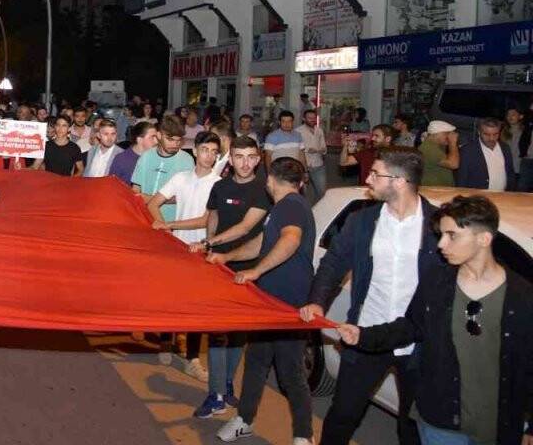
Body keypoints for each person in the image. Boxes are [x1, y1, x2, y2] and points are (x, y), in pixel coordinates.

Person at [335, 195, 532, 445]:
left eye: (452, 236)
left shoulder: (521, 297)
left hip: (497, 426)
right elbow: (411, 326)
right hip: (441, 423)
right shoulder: (437, 281)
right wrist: (364, 336)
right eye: (441, 235)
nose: (441, 244)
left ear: (484, 239)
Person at [301, 147, 445, 445]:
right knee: (343, 414)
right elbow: (333, 263)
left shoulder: (438, 226)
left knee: (411, 424)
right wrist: (317, 300)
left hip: (417, 342)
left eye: (375, 174)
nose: (368, 178)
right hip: (364, 334)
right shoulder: (363, 221)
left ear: (400, 181)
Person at [212, 157, 316, 445]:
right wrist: (228, 256)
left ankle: (303, 436)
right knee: (257, 362)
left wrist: (257, 271)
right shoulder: (281, 208)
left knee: (291, 372)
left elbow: (290, 240)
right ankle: (244, 419)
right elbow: (261, 244)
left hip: (287, 303)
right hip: (268, 300)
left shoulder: (292, 206)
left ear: (270, 179)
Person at [189, 136, 270, 418]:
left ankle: (225, 385)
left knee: (237, 333)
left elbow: (246, 227)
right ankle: (216, 394)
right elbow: (213, 215)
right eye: (239, 156)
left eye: (250, 157)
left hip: (246, 268)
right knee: (216, 332)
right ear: (230, 158)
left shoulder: (263, 190)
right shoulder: (220, 186)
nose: (245, 163)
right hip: (216, 266)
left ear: (258, 159)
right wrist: (210, 240)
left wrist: (211, 244)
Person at [147, 131, 222, 380]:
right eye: (205, 150)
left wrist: (169, 226)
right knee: (171, 299)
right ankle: (166, 341)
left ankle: (192, 358)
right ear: (195, 151)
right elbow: (152, 203)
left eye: (214, 152)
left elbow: (205, 219)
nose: (208, 156)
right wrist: (165, 232)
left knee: (196, 306)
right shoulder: (181, 178)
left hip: (202, 249)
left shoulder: (218, 183)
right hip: (176, 249)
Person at [133, 116, 196, 231]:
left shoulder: (187, 160)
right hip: (144, 220)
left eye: (178, 140)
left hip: (172, 223)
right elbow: (136, 188)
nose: (175, 144)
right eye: (170, 139)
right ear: (159, 135)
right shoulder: (146, 156)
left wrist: (152, 200)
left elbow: (186, 197)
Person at [456, 117, 516, 191]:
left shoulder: (505, 148)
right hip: (478, 199)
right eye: (487, 134)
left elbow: (510, 174)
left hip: (502, 197)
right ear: (479, 132)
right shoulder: (468, 150)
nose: (491, 138)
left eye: (495, 134)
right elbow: (462, 179)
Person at [419, 120, 461, 187]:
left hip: (439, 190)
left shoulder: (437, 146)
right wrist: (452, 143)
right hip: (433, 191)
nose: (449, 136)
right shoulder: (429, 148)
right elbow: (454, 164)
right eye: (447, 133)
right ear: (436, 134)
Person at [299, 109, 328, 203]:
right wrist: (308, 149)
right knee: (302, 193)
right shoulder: (298, 131)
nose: (312, 120)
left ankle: (317, 211)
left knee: (321, 192)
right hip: (303, 166)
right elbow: (297, 149)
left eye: (313, 118)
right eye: (309, 118)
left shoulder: (319, 130)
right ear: (304, 119)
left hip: (318, 165)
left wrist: (322, 150)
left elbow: (324, 147)